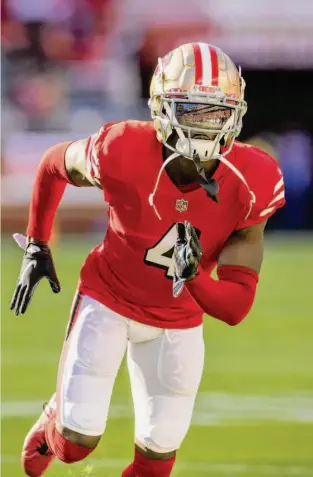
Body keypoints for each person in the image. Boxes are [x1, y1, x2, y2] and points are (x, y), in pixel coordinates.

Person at [10, 42, 285, 477]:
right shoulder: (120, 148)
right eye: (192, 109)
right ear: (161, 106)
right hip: (108, 298)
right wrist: (38, 244)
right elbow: (52, 164)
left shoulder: (254, 179)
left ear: (235, 113)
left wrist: (192, 276)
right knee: (75, 445)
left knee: (157, 458)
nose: (205, 123)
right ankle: (52, 423)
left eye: (216, 112)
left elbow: (235, 308)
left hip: (179, 319)